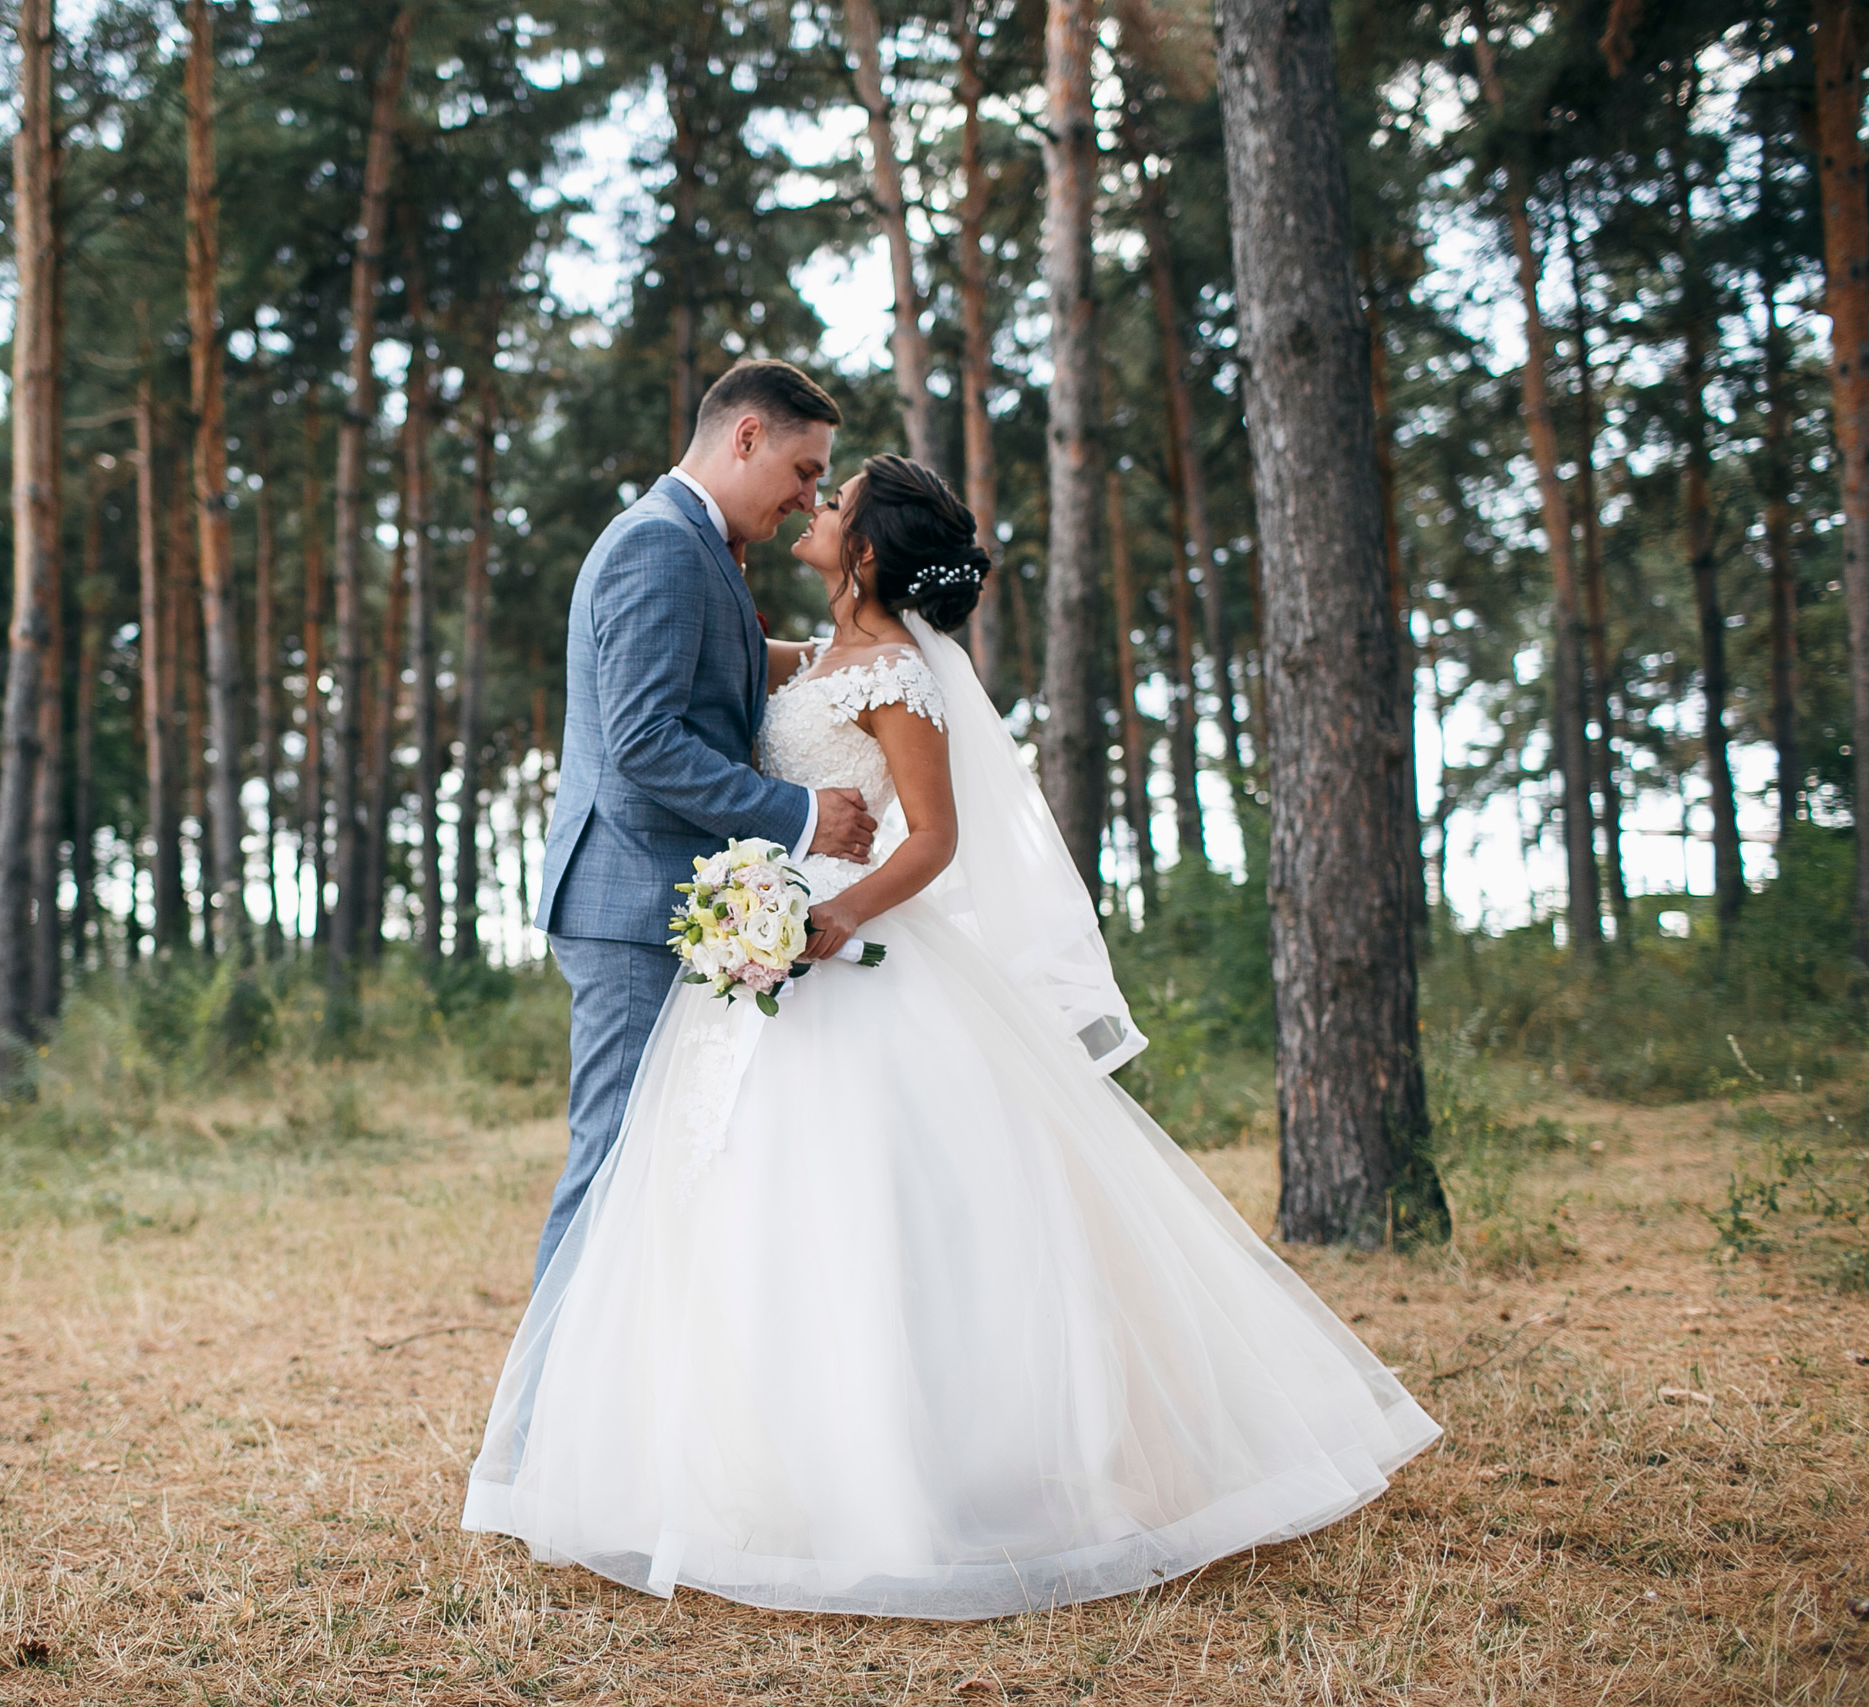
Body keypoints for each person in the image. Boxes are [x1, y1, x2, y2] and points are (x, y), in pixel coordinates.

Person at [467, 452, 1439, 1620]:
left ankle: (939, 1477)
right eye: (810, 483)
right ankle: (759, 1467)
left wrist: (836, 912)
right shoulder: (813, 657)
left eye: (832, 503)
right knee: (751, 1205)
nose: (813, 509)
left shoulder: (903, 678)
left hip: (853, 951)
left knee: (888, 1204)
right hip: (770, 961)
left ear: (866, 553)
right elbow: (684, 695)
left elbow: (930, 840)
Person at [531, 359, 879, 1285]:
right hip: (634, 901)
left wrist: (842, 660)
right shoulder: (662, 544)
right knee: (614, 1165)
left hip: (657, 898)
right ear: (747, 436)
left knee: (665, 1171)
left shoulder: (690, 539)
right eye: (806, 471)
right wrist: (802, 812)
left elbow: (712, 657)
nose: (810, 497)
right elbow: (645, 740)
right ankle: (543, 1432)